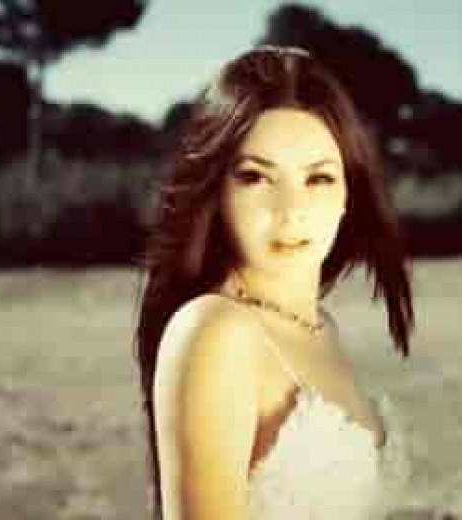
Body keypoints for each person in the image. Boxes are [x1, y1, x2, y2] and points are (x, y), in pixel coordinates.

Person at [133, 45, 414, 520]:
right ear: (217, 191)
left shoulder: (320, 327)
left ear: (348, 194)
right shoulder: (215, 332)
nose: (290, 212)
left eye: (318, 179)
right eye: (256, 178)